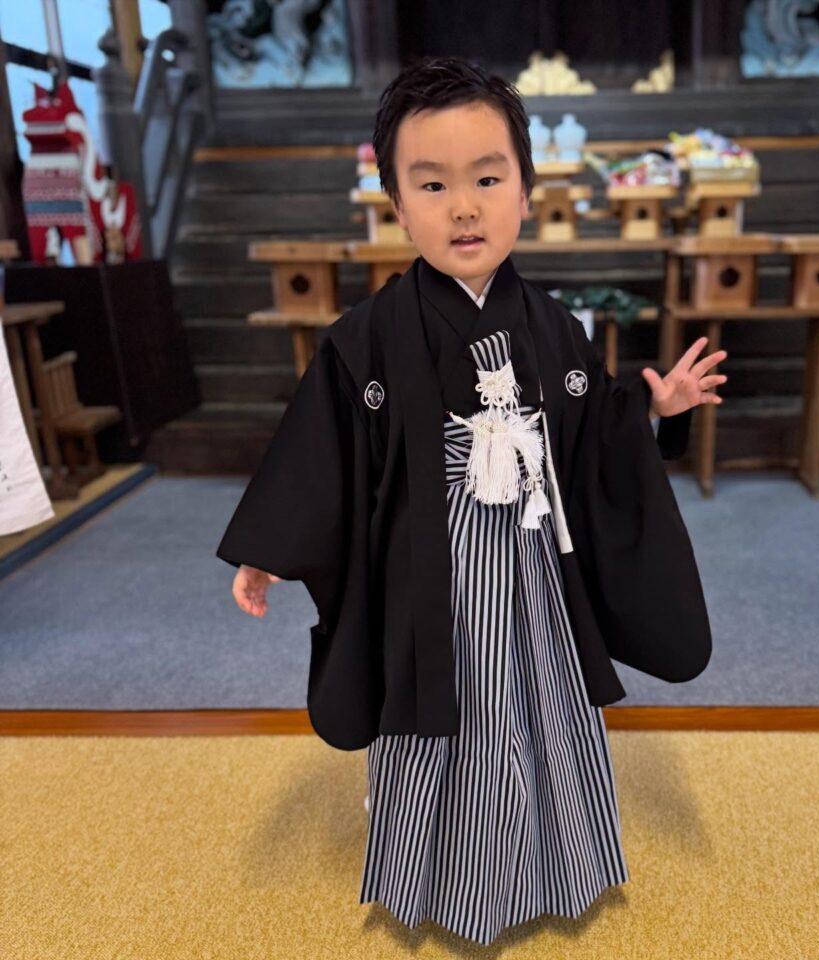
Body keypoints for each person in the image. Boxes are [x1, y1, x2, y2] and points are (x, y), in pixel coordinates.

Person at [217, 56, 725, 946]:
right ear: (395, 201)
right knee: (434, 714)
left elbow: (592, 431)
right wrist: (272, 542)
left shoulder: (554, 325)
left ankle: (548, 862)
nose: (463, 206)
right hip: (430, 569)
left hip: (530, 561)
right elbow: (322, 453)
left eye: (488, 178)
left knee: (536, 704)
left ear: (526, 189)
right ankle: (438, 880)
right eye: (433, 184)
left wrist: (650, 407)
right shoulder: (366, 339)